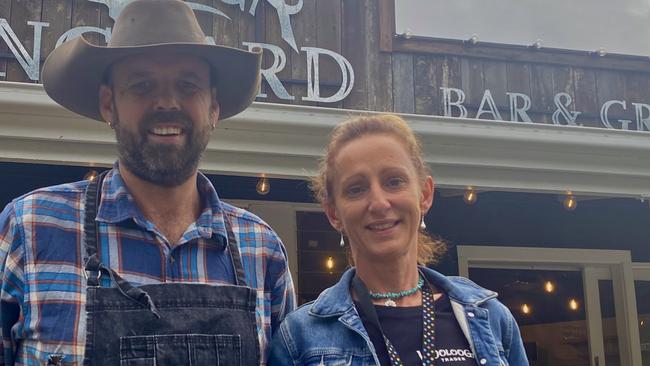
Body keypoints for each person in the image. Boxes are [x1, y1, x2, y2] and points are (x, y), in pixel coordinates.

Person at [0, 1, 295, 365]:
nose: (166, 102)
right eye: (141, 85)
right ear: (109, 104)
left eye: (188, 85)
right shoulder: (29, 229)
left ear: (213, 108)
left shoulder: (263, 250)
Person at [269, 114, 528, 366]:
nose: (379, 203)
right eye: (356, 189)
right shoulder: (300, 338)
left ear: (424, 195)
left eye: (394, 181)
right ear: (333, 213)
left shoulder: (492, 318)